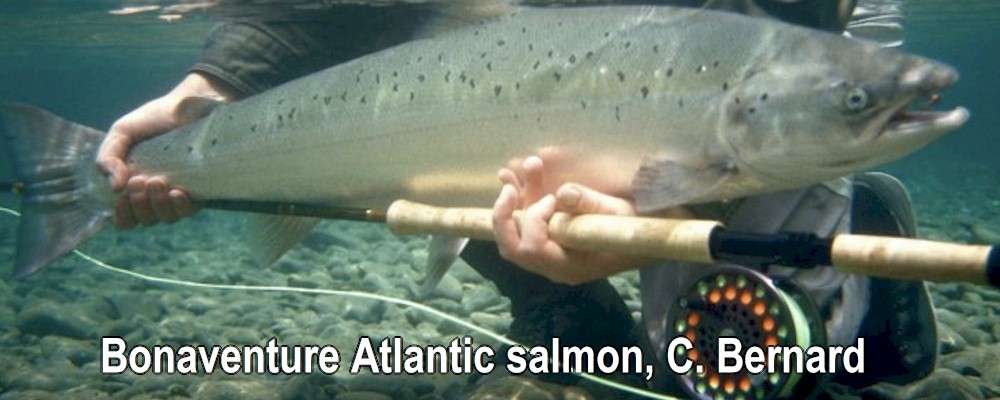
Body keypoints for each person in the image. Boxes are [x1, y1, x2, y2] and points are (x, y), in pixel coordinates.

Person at [99, 1, 935, 397]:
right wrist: (209, 88)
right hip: (497, 75)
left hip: (740, 61)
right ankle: (567, 317)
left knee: (760, 376)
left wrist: (664, 228)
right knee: (510, 184)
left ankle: (847, 257)